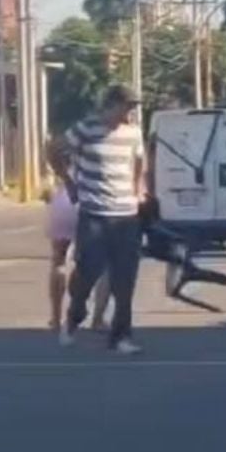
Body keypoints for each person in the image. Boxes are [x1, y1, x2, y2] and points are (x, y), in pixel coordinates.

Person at [52, 84, 146, 354]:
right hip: (94, 214)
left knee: (124, 280)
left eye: (133, 108)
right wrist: (69, 182)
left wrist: (138, 189)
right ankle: (73, 318)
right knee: (87, 273)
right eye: (126, 107)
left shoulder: (133, 132)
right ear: (111, 104)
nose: (129, 113)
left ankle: (121, 337)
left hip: (126, 215)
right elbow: (54, 149)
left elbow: (139, 161)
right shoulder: (86, 129)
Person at [45, 139, 111, 332]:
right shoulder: (103, 145)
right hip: (91, 203)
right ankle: (97, 318)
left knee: (58, 260)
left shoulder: (73, 141)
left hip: (64, 201)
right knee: (105, 264)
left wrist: (63, 174)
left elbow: (51, 148)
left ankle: (56, 319)